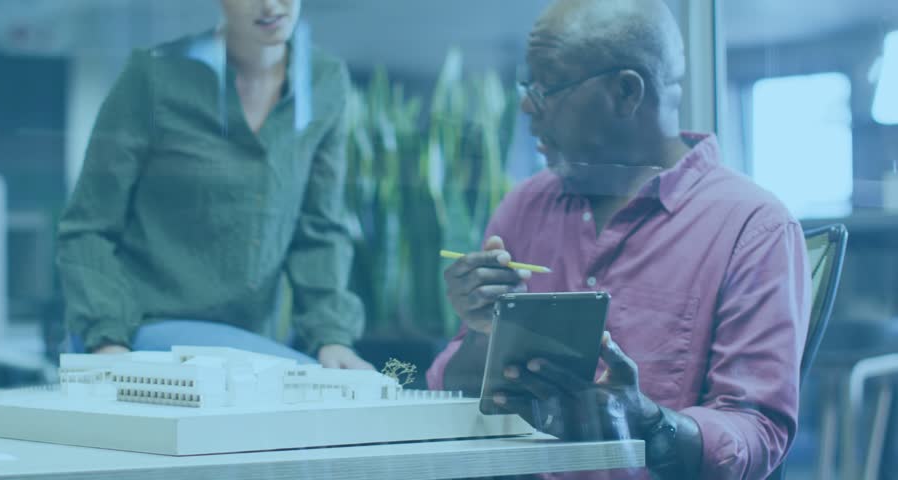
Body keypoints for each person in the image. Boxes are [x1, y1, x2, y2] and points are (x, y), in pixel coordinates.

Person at [427, 0, 811, 478]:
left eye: (547, 88)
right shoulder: (524, 208)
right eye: (528, 88)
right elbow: (451, 389)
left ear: (627, 92)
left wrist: (650, 423)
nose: (526, 106)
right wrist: (481, 332)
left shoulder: (753, 228)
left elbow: (758, 433)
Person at [57, 0, 373, 370]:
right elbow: (87, 228)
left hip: (245, 346)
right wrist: (108, 342)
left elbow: (320, 228)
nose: (270, 5)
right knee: (296, 376)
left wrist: (332, 338)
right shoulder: (155, 76)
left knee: (332, 388)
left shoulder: (323, 82)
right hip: (136, 331)